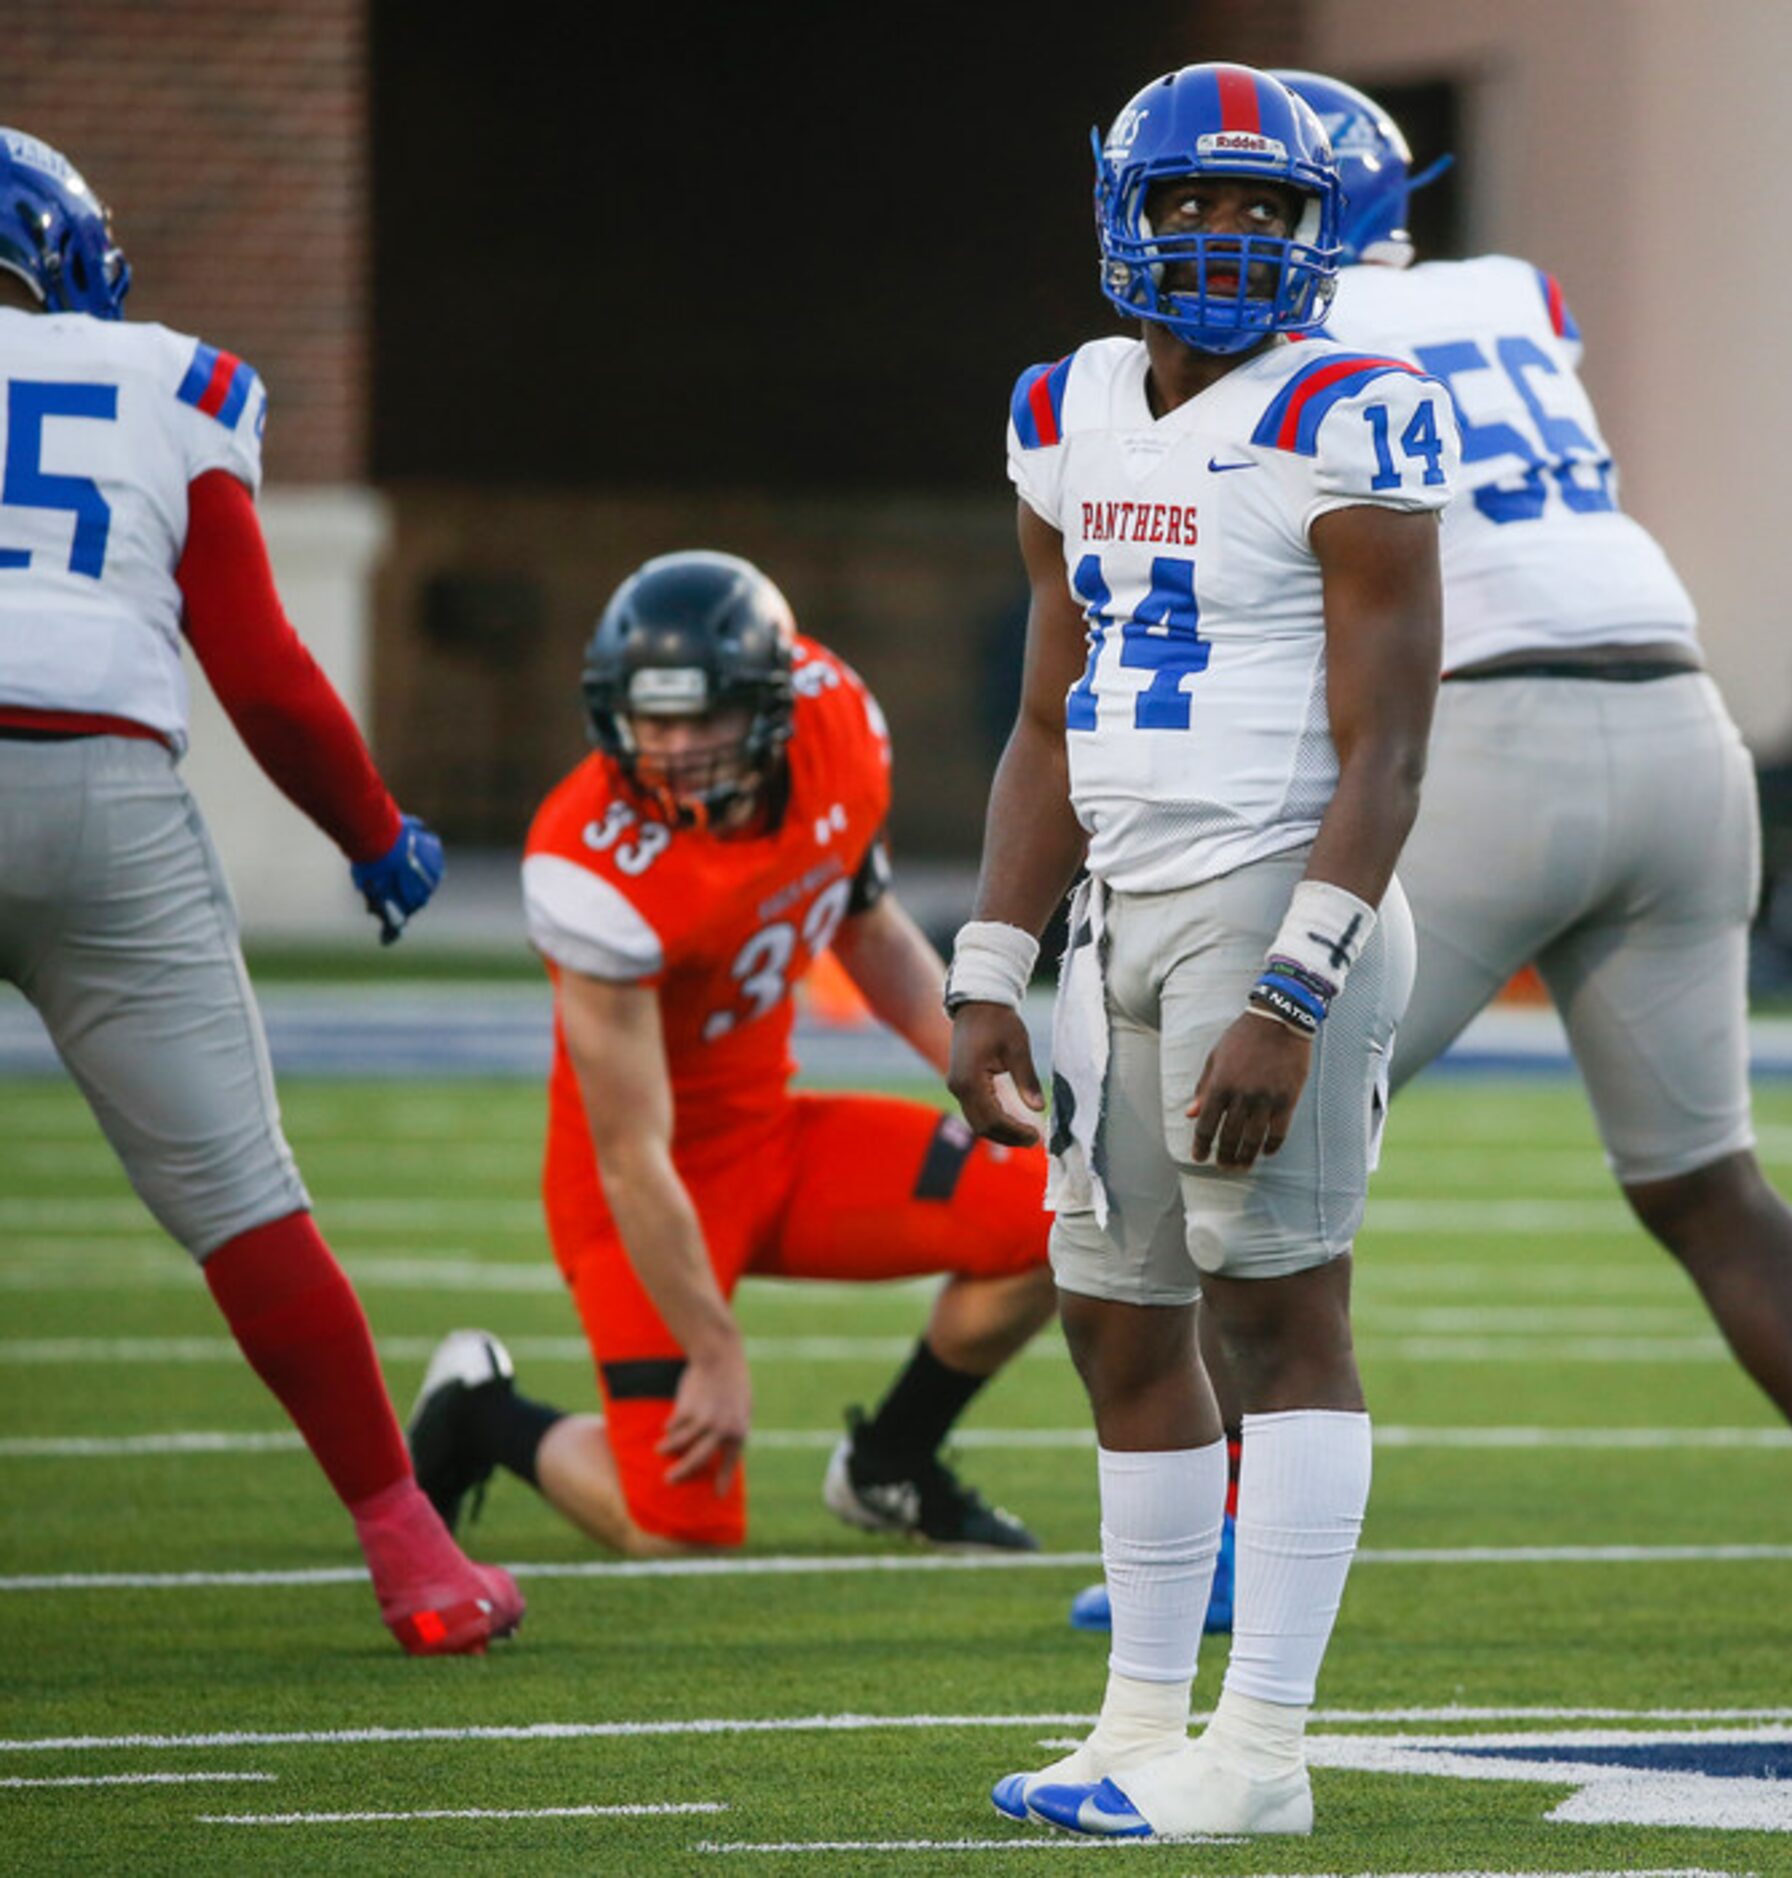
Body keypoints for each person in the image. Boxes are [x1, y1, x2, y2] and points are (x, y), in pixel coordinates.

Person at [1287, 67, 1792, 1637]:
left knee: (1259, 1144)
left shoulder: (1282, 351)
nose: (1209, 231)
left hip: (1491, 745)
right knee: (1706, 1182)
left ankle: (1230, 1540)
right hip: (1677, 721)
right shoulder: (1511, 291)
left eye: (1234, 204)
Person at [947, 63, 1453, 1839]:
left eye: (1264, 211)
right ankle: (1138, 1719)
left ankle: (1261, 1753)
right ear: (1123, 213)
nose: (1226, 240)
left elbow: (1388, 744)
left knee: (1274, 1320)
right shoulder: (1064, 403)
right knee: (1113, 1321)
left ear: (1319, 236)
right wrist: (986, 959)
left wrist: (1296, 986)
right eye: (1192, 205)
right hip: (1117, 915)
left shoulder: (1355, 404)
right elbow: (1040, 709)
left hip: (1269, 891)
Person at [0, 129, 514, 1654]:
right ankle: (416, 1553)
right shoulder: (173, 382)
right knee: (242, 1203)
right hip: (103, 804)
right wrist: (372, 833)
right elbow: (264, 677)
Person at [407, 552, 1054, 1557]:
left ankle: (891, 1462)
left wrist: (983, 1072)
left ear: (768, 708)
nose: (670, 748)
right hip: (639, 1187)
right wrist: (715, 1349)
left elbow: (868, 929)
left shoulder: (834, 727)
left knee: (1057, 1210)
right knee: (679, 1529)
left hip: (772, 1138)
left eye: (700, 720)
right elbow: (631, 1153)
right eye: (650, 720)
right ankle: (481, 1416)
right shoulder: (591, 861)